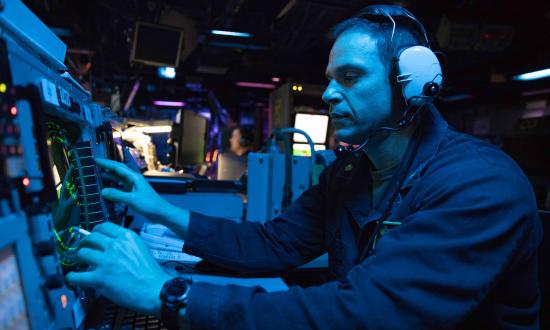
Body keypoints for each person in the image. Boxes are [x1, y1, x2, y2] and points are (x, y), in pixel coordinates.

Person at [66, 4, 543, 329]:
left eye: (351, 77)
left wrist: (169, 296)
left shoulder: (479, 185)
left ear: (413, 85)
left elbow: (366, 315)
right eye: (330, 80)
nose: (332, 93)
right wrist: (160, 208)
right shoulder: (351, 174)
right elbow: (274, 244)